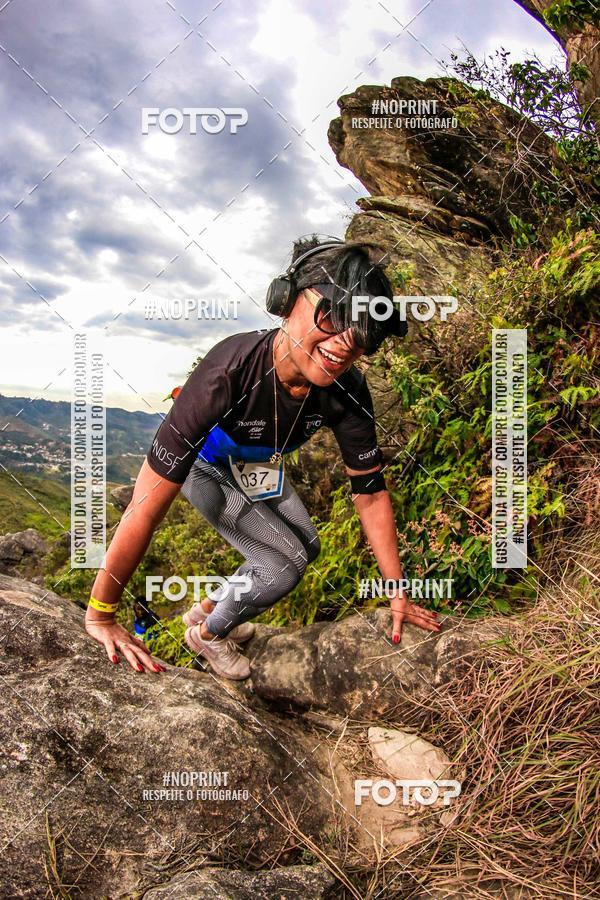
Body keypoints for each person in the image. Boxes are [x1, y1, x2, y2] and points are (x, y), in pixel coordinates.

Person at [84, 237, 440, 680]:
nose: (345, 344)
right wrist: (101, 614)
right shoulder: (229, 371)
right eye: (332, 314)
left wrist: (397, 593)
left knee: (308, 545)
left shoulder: (346, 390)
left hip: (256, 464)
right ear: (286, 302)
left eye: (364, 333)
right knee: (283, 565)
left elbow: (369, 494)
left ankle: (209, 610)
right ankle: (208, 636)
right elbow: (143, 507)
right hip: (206, 467)